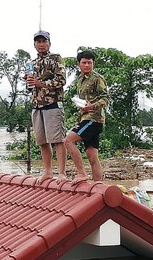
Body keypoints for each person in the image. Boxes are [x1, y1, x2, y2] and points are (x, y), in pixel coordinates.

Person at [26, 30, 67, 183]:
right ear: (34, 44)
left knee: (58, 139)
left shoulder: (56, 59)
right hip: (37, 105)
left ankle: (61, 172)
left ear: (49, 43)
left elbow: (61, 80)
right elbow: (29, 86)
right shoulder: (31, 63)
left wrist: (41, 83)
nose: (41, 44)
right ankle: (48, 172)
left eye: (44, 41)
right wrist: (30, 83)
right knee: (42, 141)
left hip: (52, 103)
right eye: (38, 42)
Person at [64, 50, 109, 184]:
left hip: (94, 119)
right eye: (84, 62)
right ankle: (98, 185)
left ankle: (82, 173)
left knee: (68, 141)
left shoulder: (97, 78)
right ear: (79, 64)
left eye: (90, 62)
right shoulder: (79, 80)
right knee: (92, 156)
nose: (87, 65)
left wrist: (91, 106)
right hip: (85, 118)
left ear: (93, 63)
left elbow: (106, 99)